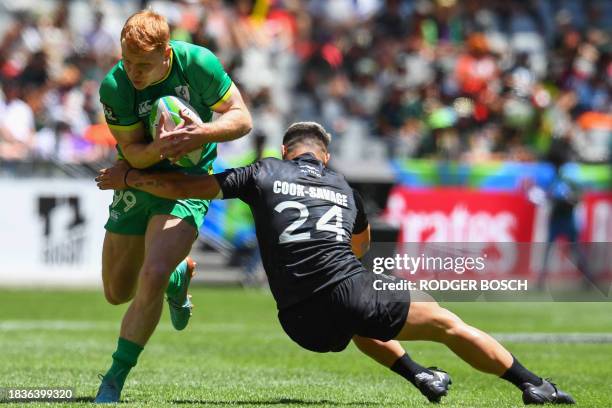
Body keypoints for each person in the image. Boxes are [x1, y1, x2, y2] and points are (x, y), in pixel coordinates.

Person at [96, 122, 575, 405]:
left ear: (286, 151)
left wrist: (132, 176)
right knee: (439, 318)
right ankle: (533, 386)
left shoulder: (263, 171)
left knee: (354, 308)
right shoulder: (343, 185)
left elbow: (188, 189)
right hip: (346, 293)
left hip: (298, 321)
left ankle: (418, 375)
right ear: (324, 155)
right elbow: (359, 250)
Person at [94, 10, 253, 403]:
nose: (134, 72)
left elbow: (241, 118)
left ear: (166, 53)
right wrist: (158, 149)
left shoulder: (197, 62)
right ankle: (179, 274)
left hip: (186, 183)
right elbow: (130, 150)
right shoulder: (115, 85)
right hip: (141, 178)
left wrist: (200, 133)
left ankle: (114, 378)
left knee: (154, 272)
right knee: (117, 292)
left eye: (144, 65)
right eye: (128, 61)